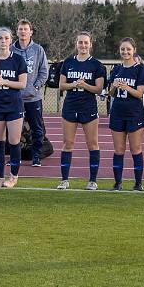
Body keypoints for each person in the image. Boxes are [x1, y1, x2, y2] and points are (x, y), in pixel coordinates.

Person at [56, 31, 106, 190]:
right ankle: (64, 180)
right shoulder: (68, 62)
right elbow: (61, 85)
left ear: (91, 44)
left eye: (86, 42)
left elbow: (98, 89)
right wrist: (74, 85)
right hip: (70, 106)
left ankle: (92, 180)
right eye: (80, 42)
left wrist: (85, 86)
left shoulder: (97, 65)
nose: (83, 45)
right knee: (67, 143)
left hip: (88, 107)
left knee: (92, 144)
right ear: (76, 44)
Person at [0, 27, 28, 188]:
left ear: (11, 40)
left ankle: (13, 177)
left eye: (6, 38)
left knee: (14, 141)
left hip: (14, 105)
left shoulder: (18, 60)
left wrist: (6, 82)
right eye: (1, 38)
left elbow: (22, 84)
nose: (3, 41)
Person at [108, 38, 144, 191]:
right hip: (117, 112)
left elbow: (139, 93)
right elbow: (111, 93)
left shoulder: (140, 69)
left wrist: (126, 86)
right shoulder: (116, 69)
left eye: (128, 49)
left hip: (134, 113)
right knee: (118, 150)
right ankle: (117, 183)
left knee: (135, 149)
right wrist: (113, 87)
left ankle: (138, 183)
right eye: (123, 49)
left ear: (134, 50)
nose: (125, 52)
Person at [11, 19, 49, 167]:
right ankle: (15, 157)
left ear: (31, 32)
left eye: (26, 29)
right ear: (17, 31)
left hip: (34, 98)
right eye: (20, 29)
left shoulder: (38, 50)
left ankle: (36, 157)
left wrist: (36, 87)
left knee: (37, 128)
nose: (23, 31)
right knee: (15, 130)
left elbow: (44, 72)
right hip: (15, 98)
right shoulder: (11, 50)